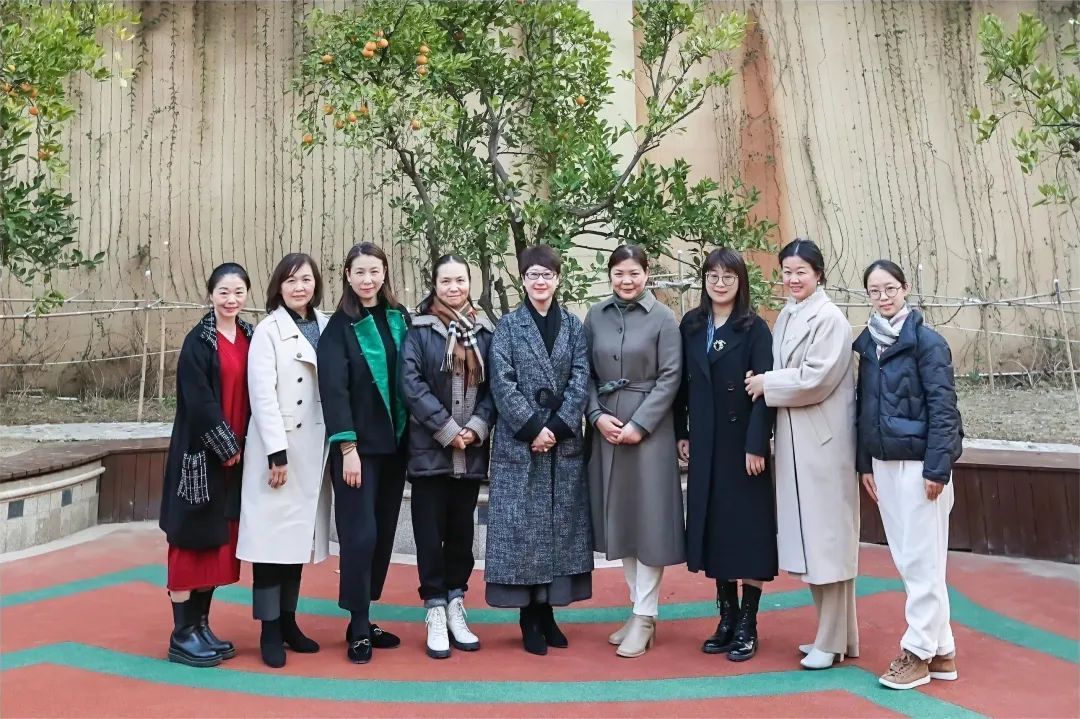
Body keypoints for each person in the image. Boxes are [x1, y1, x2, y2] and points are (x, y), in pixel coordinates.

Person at [745, 238, 859, 670]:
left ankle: (831, 640)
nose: (792, 280)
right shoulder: (790, 315)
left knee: (828, 541)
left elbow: (816, 379)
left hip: (824, 447)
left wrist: (766, 384)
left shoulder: (829, 319)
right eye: (787, 272)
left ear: (819, 275)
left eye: (801, 272)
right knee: (815, 541)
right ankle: (835, 636)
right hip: (799, 444)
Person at [855, 259, 963, 690]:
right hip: (883, 463)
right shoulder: (866, 344)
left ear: (905, 289)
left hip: (921, 467)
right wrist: (865, 462)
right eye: (874, 291)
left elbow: (944, 409)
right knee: (912, 561)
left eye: (889, 289)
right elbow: (863, 407)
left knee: (921, 560)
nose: (883, 298)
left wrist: (937, 468)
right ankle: (942, 650)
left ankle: (916, 652)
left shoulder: (927, 343)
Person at [485, 244, 593, 656]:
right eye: (533, 275)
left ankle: (549, 611)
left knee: (558, 530)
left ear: (558, 279)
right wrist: (533, 426)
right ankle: (528, 616)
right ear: (523, 280)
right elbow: (502, 381)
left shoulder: (572, 325)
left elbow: (581, 376)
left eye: (547, 274)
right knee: (522, 533)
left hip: (562, 442)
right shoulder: (508, 328)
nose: (540, 281)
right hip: (521, 442)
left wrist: (560, 426)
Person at [675, 248, 776, 662]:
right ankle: (727, 617)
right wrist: (683, 431)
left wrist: (757, 443)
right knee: (714, 528)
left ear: (740, 282)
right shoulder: (692, 324)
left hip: (742, 445)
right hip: (706, 441)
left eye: (728, 276)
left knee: (747, 533)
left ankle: (749, 622)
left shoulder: (754, 329)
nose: (719, 283)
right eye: (712, 276)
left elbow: (766, 390)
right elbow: (682, 382)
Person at [585, 245, 683, 658]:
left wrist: (640, 424)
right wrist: (595, 415)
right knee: (619, 522)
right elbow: (583, 372)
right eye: (619, 274)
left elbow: (671, 376)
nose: (626, 281)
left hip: (650, 434)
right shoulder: (594, 316)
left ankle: (646, 614)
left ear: (647, 274)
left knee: (649, 524)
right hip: (607, 430)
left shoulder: (664, 319)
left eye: (634, 273)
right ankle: (636, 607)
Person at [236, 254, 331, 669]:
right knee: (270, 546)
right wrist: (277, 453)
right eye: (291, 281)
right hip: (280, 450)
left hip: (315, 447)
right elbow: (262, 395)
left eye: (306, 280)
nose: (299, 287)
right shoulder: (268, 330)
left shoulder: (328, 325)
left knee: (296, 543)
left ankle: (289, 622)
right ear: (279, 285)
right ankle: (269, 630)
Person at [317, 242, 410, 665]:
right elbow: (334, 391)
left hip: (394, 448)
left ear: (384, 273)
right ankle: (356, 624)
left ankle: (366, 612)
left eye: (375, 271)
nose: (368, 279)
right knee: (360, 535)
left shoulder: (398, 318)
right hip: (357, 450)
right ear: (348, 277)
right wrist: (348, 448)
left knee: (384, 535)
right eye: (360, 272)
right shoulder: (339, 328)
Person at [400, 255, 496, 660]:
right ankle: (435, 609)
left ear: (470, 283)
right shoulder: (419, 330)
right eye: (446, 281)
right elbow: (411, 383)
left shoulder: (486, 330)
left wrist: (477, 426)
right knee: (428, 533)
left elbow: (497, 385)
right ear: (434, 284)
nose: (454, 287)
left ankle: (457, 603)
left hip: (471, 454)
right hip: (430, 453)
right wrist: (448, 430)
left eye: (460, 280)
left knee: (461, 534)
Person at [159, 263, 253, 667]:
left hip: (238, 458)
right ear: (211, 295)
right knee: (190, 540)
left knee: (218, 540)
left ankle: (200, 625)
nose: (231, 300)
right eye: (223, 293)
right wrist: (225, 444)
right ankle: (182, 634)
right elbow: (198, 401)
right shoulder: (199, 341)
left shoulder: (250, 335)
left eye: (238, 292)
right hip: (201, 457)